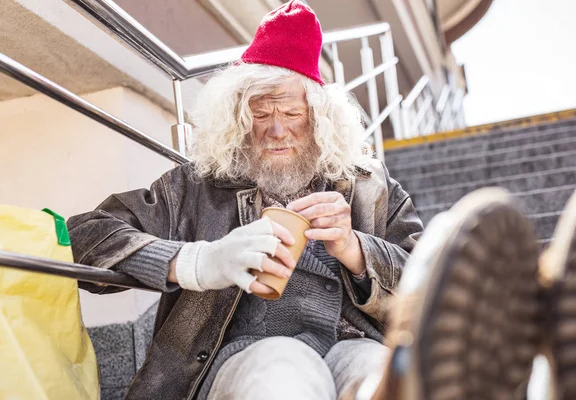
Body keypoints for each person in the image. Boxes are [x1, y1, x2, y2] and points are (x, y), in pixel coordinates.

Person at [68, 1, 571, 399]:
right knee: (286, 365)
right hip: (235, 361)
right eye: (260, 112)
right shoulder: (196, 184)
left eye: (291, 111)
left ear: (321, 116)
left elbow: (429, 287)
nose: (276, 129)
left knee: (374, 368)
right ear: (239, 116)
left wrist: (356, 250)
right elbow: (85, 236)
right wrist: (199, 262)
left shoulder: (370, 187)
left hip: (349, 346)